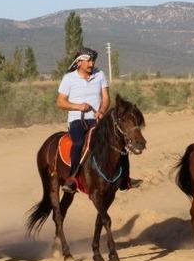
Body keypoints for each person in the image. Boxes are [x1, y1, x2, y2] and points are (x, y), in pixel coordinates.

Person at [57, 48, 141, 194]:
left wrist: (101, 111)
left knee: (120, 141)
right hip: (77, 120)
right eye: (88, 60)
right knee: (78, 143)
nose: (91, 63)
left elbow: (106, 98)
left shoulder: (100, 74)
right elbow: (60, 102)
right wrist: (78, 106)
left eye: (93, 60)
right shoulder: (69, 78)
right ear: (79, 62)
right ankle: (72, 179)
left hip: (97, 119)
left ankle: (125, 179)